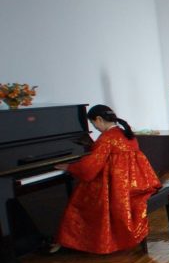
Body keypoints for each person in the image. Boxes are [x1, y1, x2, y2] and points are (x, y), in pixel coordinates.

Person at [50, 105, 161, 254]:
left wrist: (69, 167)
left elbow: (89, 168)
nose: (95, 127)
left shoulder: (106, 138)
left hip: (120, 188)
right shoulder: (125, 133)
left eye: (94, 123)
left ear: (99, 119)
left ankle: (78, 241)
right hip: (137, 183)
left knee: (79, 200)